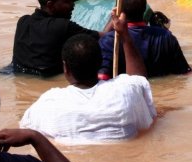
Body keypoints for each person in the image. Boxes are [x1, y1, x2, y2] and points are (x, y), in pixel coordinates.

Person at [20, 18, 156, 143]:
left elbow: (26, 128)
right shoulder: (124, 92)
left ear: (65, 68)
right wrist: (125, 36)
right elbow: (139, 80)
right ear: (101, 62)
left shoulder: (49, 102)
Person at [98, 0, 191, 80]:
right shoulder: (166, 36)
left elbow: (102, 77)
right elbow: (185, 73)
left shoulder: (109, 41)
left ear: (119, 11)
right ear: (144, 9)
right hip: (164, 93)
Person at [12, 0, 101, 77]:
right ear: (50, 5)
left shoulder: (23, 21)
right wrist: (115, 14)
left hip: (16, 74)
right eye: (67, 1)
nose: (72, 5)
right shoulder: (62, 26)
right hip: (47, 79)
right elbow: (103, 36)